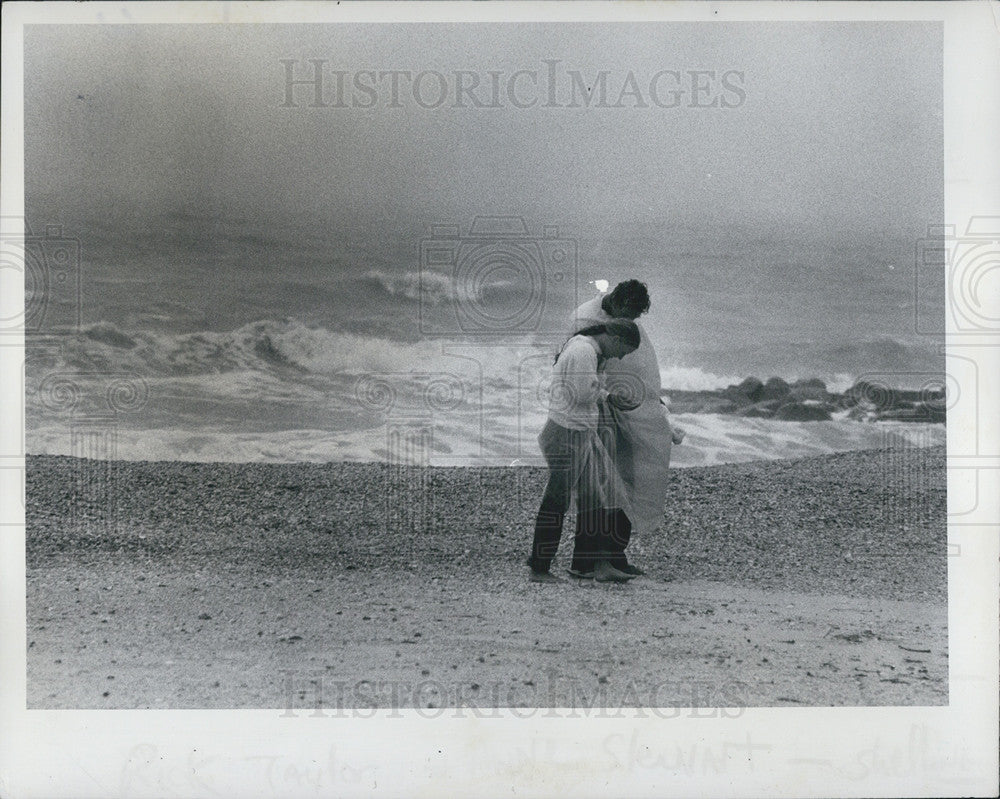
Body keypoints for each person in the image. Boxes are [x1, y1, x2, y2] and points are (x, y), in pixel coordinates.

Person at [566, 280, 684, 578]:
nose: (632, 321)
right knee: (597, 486)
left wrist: (656, 405)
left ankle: (616, 556)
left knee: (629, 479)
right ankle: (585, 561)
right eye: (630, 313)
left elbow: (640, 368)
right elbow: (575, 368)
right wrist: (603, 400)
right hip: (596, 410)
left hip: (627, 408)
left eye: (636, 316)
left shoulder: (626, 322)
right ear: (618, 303)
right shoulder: (585, 318)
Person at [526, 319, 642, 584]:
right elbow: (580, 393)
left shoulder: (589, 351)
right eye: (624, 350)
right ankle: (539, 568)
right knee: (557, 499)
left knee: (594, 499)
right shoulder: (584, 351)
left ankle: (593, 566)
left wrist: (604, 395)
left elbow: (582, 390)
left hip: (576, 430)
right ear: (614, 337)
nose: (621, 356)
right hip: (566, 433)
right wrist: (608, 396)